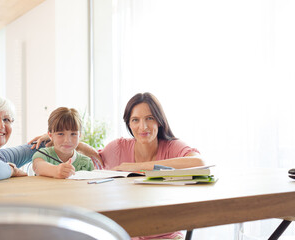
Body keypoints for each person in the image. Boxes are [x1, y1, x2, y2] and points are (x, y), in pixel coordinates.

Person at [81, 92, 204, 240]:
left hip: (166, 235)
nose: (142, 127)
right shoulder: (118, 147)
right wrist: (60, 139)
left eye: (149, 118)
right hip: (127, 234)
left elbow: (199, 163)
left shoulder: (172, 147)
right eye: (135, 120)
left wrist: (138, 167)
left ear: (159, 121)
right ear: (129, 124)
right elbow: (97, 157)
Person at [32, 107, 94, 179]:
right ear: (50, 135)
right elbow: (37, 166)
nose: (67, 140)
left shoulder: (87, 163)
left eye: (73, 134)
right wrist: (56, 170)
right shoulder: (43, 154)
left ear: (79, 135)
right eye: (61, 134)